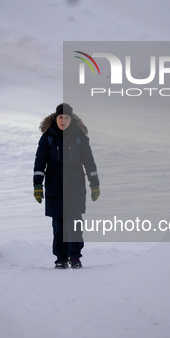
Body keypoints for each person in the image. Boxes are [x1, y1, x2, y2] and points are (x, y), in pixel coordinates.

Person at [33, 103, 100, 269]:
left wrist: (95, 184)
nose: (63, 121)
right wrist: (37, 186)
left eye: (67, 118)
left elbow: (89, 162)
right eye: (61, 117)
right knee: (59, 226)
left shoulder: (79, 137)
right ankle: (61, 258)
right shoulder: (48, 137)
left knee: (75, 224)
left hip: (75, 187)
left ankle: (75, 257)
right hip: (54, 186)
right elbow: (40, 162)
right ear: (56, 118)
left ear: (71, 119)